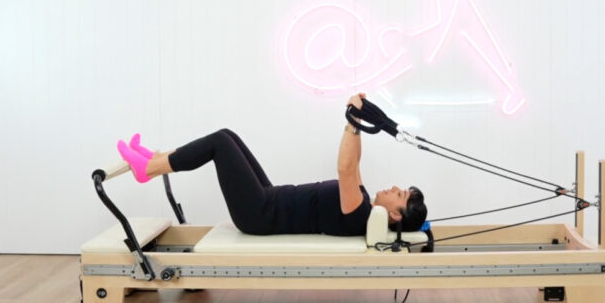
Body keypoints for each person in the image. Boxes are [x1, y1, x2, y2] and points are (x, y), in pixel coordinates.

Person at [116, 93, 427, 236]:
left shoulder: (358, 215)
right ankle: (155, 161)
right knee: (228, 135)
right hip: (268, 198)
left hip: (259, 214)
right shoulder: (362, 202)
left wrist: (352, 123)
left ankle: (148, 170)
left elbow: (345, 169)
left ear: (395, 215)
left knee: (220, 143)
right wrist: (357, 118)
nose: (395, 188)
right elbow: (354, 163)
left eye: (399, 195)